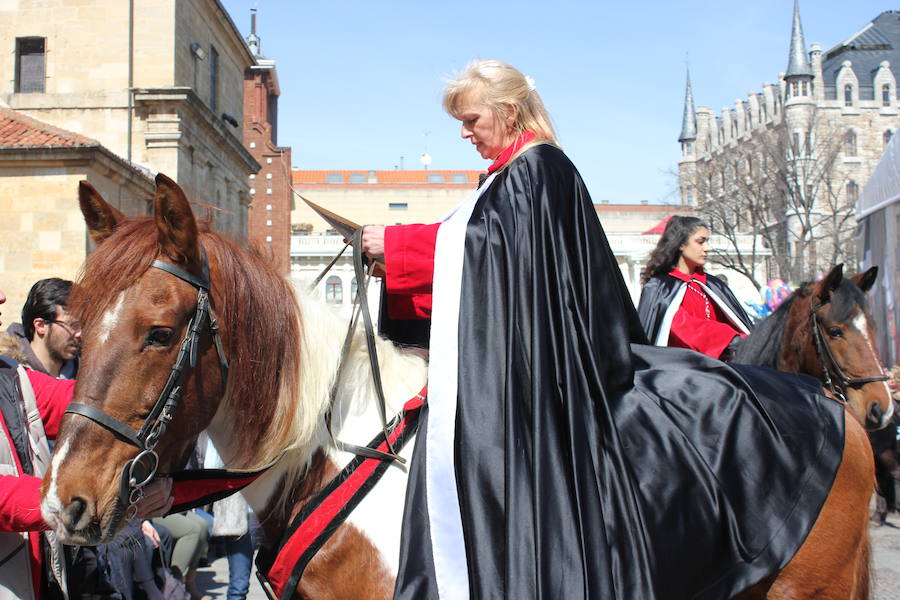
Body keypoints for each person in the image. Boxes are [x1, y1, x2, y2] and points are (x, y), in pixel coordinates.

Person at [360, 59, 845, 599]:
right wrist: (404, 263)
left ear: (509, 111)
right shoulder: (508, 175)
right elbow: (485, 252)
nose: (464, 132)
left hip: (554, 370)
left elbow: (494, 251)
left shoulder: (539, 168)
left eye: (472, 119)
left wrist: (403, 247)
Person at [637, 215, 753, 360]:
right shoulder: (660, 287)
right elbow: (680, 326)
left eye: (707, 242)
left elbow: (737, 323)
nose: (707, 248)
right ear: (680, 244)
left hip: (723, 366)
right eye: (700, 242)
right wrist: (730, 340)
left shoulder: (714, 285)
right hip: (681, 370)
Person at [7, 278, 80, 378]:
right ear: (41, 325)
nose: (80, 334)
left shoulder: (87, 377)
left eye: (84, 326)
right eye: (73, 326)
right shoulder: (8, 376)